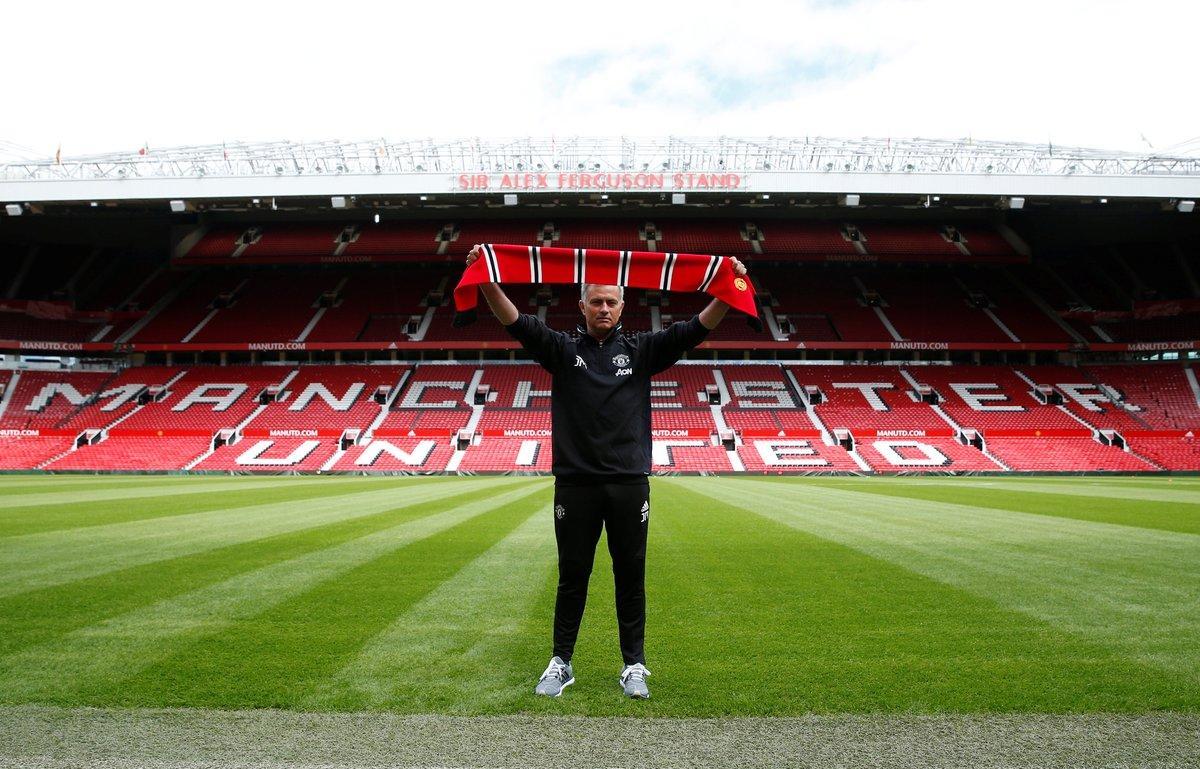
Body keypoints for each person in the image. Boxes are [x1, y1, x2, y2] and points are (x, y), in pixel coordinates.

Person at [465, 244, 748, 700]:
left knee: (629, 574)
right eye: (594, 301)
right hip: (575, 484)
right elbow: (514, 321)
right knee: (572, 575)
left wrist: (731, 287)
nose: (603, 308)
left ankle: (634, 664)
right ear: (581, 305)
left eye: (610, 301)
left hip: (627, 483)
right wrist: (484, 279)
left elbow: (696, 329)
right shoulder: (561, 349)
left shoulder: (641, 350)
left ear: (622, 305)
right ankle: (561, 662)